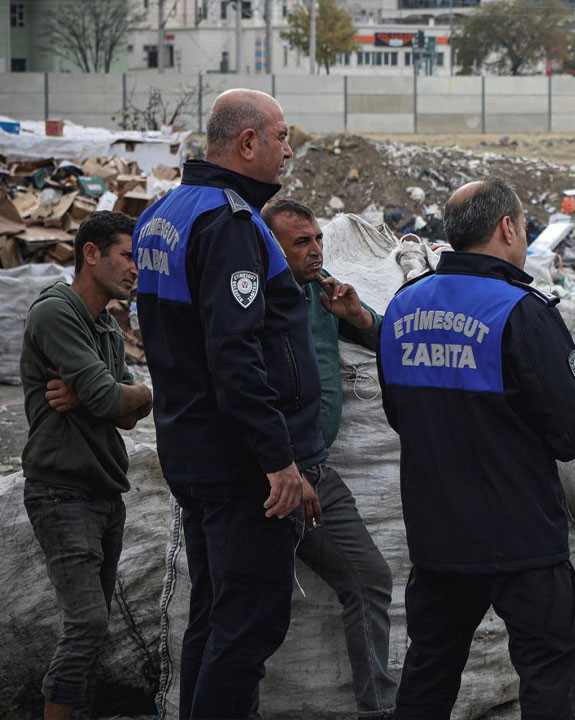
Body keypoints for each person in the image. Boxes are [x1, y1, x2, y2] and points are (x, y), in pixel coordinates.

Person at [134, 88, 324, 719]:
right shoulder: (231, 225)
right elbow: (236, 356)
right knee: (247, 628)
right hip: (240, 463)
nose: (288, 150)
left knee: (215, 615)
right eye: (281, 137)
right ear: (248, 142)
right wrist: (279, 459)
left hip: (190, 445)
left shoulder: (163, 214)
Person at [378, 177, 575, 719]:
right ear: (507, 227)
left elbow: (399, 414)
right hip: (519, 535)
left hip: (437, 533)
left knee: (429, 668)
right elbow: (569, 435)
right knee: (546, 668)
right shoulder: (522, 311)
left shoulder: (403, 306)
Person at [263, 198, 397, 719]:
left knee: (369, 577)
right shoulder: (257, 305)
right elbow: (247, 395)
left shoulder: (321, 294)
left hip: (315, 468)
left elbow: (388, 336)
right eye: (302, 243)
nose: (317, 250)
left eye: (318, 238)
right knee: (251, 609)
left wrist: (358, 315)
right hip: (275, 474)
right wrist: (288, 464)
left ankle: (379, 708)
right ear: (271, 248)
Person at [20, 211, 153, 720]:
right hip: (61, 492)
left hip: (103, 491)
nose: (135, 268)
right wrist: (114, 394)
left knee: (94, 630)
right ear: (91, 254)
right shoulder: (56, 313)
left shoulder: (107, 329)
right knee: (87, 625)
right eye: (126, 255)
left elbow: (130, 417)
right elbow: (106, 399)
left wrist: (127, 395)